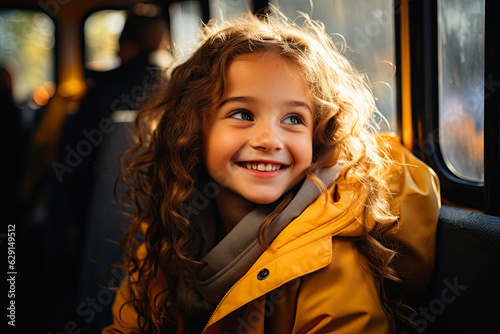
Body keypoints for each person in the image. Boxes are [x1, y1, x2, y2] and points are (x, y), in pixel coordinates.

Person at [103, 10, 440, 334]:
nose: (268, 140)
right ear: (195, 130)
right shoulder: (171, 233)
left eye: (293, 119)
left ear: (317, 137)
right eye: (242, 114)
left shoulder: (330, 262)